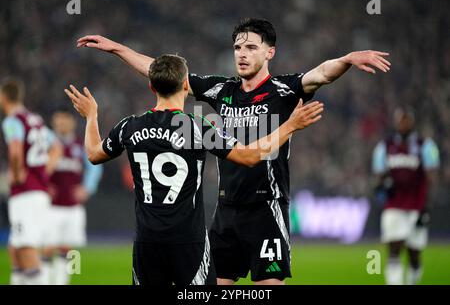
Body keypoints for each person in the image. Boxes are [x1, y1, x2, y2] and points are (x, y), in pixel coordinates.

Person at [76, 18, 390, 285]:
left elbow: (321, 73)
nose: (242, 54)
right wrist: (118, 49)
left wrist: (347, 59)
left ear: (270, 52)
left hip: (266, 208)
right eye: (238, 47)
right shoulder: (221, 90)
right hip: (226, 212)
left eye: (251, 47)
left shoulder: (284, 89)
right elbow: (165, 75)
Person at [64, 54, 323, 285]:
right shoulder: (195, 127)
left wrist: (91, 117)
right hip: (189, 242)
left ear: (151, 86)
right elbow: (249, 156)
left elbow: (93, 154)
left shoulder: (130, 126)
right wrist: (290, 126)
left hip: (146, 242)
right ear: (186, 85)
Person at [0, 78, 62, 285]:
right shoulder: (35, 119)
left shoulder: (12, 121)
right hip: (39, 192)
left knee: (26, 248)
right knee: (15, 247)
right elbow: (57, 148)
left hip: (25, 193)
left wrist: (17, 173)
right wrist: (43, 172)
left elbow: (16, 150)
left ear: (4, 97)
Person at [372, 106, 440, 285]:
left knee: (414, 255)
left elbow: (431, 177)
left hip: (417, 206)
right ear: (396, 122)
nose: (403, 124)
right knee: (394, 249)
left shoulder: (425, 145)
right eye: (401, 120)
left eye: (406, 120)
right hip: (394, 206)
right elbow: (378, 176)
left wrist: (426, 208)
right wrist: (382, 187)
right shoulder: (384, 147)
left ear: (412, 121)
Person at [41, 107, 103, 285]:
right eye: (58, 120)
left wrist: (87, 188)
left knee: (67, 250)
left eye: (65, 120)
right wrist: (43, 186)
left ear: (72, 122)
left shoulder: (79, 144)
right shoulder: (46, 143)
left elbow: (95, 166)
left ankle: (60, 282)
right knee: (47, 248)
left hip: (72, 207)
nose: (61, 124)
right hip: (50, 206)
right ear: (53, 123)